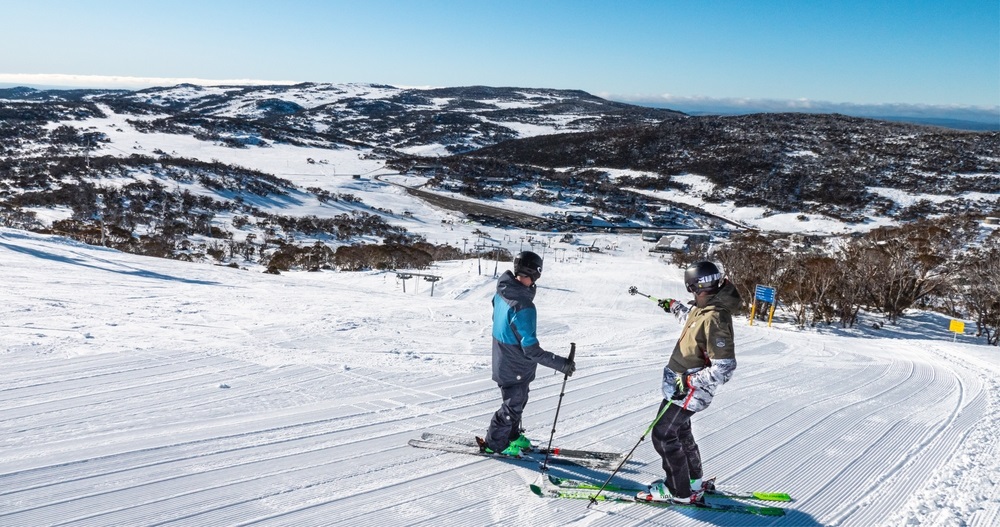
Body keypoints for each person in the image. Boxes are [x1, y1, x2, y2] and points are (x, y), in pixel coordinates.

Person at [641, 260, 740, 504]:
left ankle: (678, 490)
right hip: (681, 386)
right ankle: (693, 480)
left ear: (694, 285)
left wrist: (688, 381)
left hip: (688, 390)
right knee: (680, 432)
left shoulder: (714, 317)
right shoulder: (704, 306)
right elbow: (692, 321)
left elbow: (725, 368)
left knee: (663, 435)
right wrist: (674, 307)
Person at [476, 251, 576, 457]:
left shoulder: (502, 292)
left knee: (517, 402)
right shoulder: (524, 305)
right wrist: (561, 364)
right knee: (512, 406)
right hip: (515, 366)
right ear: (536, 273)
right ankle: (495, 444)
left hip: (503, 360)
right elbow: (531, 350)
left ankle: (511, 436)